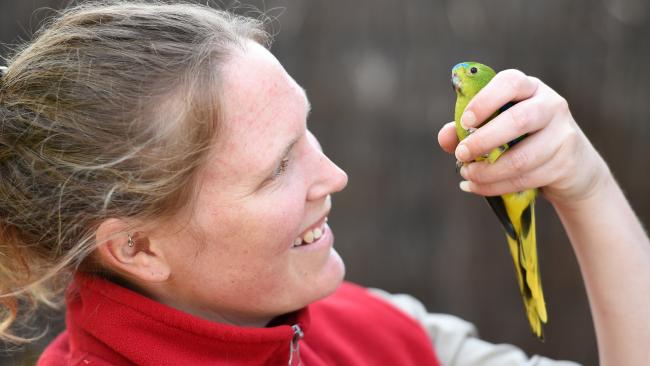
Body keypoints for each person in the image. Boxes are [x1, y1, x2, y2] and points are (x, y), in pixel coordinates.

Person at [0, 1, 646, 365]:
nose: (334, 176)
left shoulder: (379, 336)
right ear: (137, 247)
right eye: (278, 167)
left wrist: (585, 185)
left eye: (306, 130)